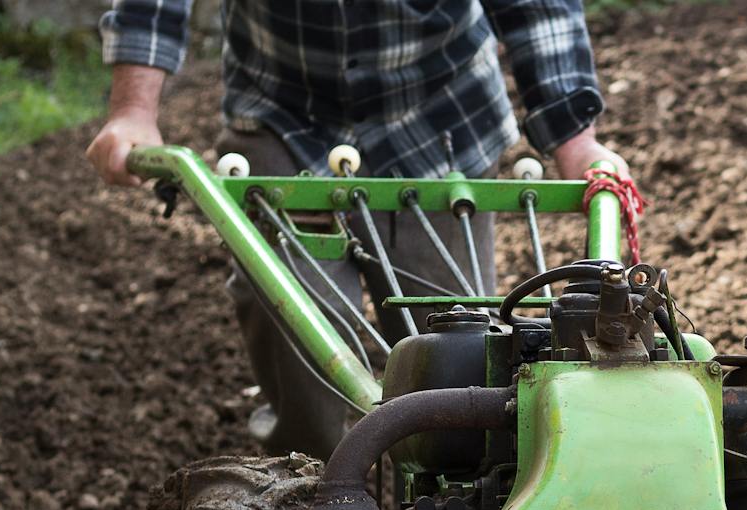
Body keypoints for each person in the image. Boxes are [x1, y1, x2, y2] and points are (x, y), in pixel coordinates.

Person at [85, 0, 629, 459]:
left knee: (457, 365)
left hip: (436, 119)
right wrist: (134, 108)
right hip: (285, 111)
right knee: (300, 341)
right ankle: (305, 500)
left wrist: (573, 136)